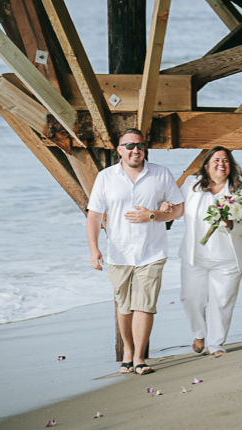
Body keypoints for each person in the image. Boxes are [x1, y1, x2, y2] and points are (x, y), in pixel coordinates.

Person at [86, 129, 184, 376]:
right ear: (119, 150)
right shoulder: (106, 177)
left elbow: (178, 209)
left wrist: (152, 215)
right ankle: (127, 352)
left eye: (139, 145)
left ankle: (139, 357)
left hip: (152, 251)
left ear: (145, 149)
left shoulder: (161, 174)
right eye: (128, 146)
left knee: (145, 305)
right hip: (118, 252)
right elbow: (95, 215)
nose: (134, 150)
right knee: (124, 305)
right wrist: (93, 248)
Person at [175, 146, 242, 357]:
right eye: (216, 160)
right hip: (195, 256)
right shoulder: (191, 185)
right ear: (206, 166)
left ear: (231, 165)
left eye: (226, 160)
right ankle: (199, 333)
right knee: (190, 298)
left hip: (228, 258)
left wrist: (231, 224)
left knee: (221, 302)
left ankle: (216, 345)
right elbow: (177, 208)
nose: (222, 164)